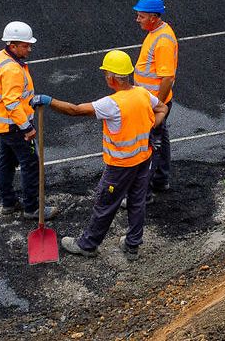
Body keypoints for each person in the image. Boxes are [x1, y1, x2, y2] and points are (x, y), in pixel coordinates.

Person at [33, 50, 166, 258]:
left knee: (105, 204)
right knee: (137, 202)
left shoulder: (111, 104)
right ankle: (132, 245)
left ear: (112, 78)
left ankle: (87, 245)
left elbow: (75, 110)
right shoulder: (142, 94)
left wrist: (49, 101)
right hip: (144, 160)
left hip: (120, 166)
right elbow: (162, 109)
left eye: (106, 74)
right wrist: (151, 127)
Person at [0, 21, 48, 218]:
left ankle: (8, 202)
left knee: (7, 161)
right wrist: (27, 128)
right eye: (25, 45)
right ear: (12, 45)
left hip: (3, 125)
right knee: (31, 163)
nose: (29, 49)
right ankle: (33, 208)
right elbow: (12, 103)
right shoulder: (13, 70)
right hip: (15, 126)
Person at [131, 0, 179, 194]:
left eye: (141, 16)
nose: (137, 19)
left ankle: (146, 191)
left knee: (151, 146)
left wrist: (158, 105)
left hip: (154, 104)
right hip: (152, 101)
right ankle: (160, 180)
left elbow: (167, 77)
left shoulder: (163, 41)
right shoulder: (157, 32)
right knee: (161, 140)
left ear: (154, 17)